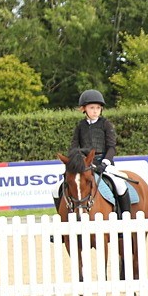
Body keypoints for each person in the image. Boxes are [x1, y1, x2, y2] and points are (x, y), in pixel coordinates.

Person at [52, 90, 132, 218]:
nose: (95, 111)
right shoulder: (80, 126)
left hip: (103, 162)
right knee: (56, 188)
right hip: (84, 165)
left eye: (98, 108)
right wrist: (78, 160)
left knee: (119, 184)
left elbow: (111, 147)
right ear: (84, 109)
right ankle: (62, 220)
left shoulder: (106, 124)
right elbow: (73, 148)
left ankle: (124, 219)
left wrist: (105, 163)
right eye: (92, 108)